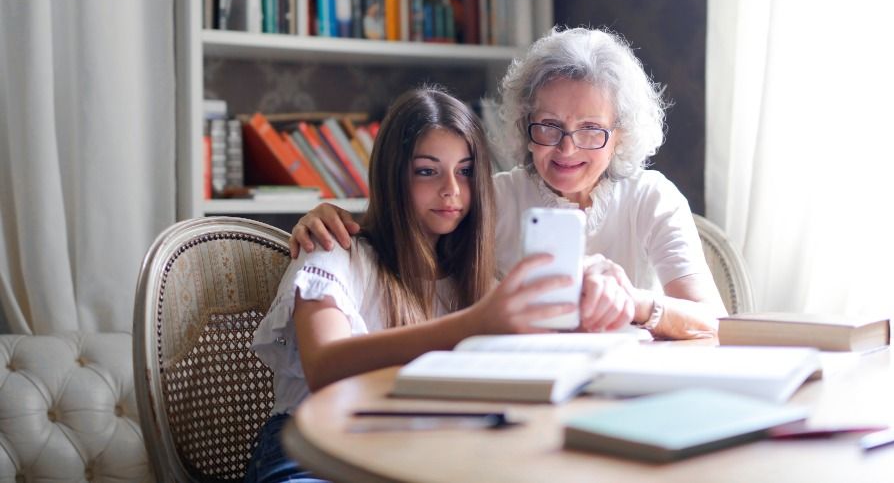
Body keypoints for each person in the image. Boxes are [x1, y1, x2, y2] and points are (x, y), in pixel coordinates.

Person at [290, 27, 727, 339]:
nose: (566, 149)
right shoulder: (491, 197)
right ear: (524, 124)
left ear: (621, 136)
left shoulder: (652, 197)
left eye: (591, 130)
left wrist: (635, 302)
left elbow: (713, 321)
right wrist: (329, 217)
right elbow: (406, 226)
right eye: (549, 126)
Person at [244, 87, 576, 483]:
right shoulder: (334, 250)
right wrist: (475, 324)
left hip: (415, 447)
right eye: (427, 170)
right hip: (309, 452)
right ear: (393, 175)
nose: (451, 188)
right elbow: (324, 367)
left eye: (465, 171)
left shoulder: (476, 279)